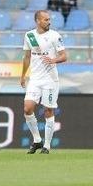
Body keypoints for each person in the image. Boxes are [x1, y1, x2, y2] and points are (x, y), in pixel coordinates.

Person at [21, 10, 67, 155]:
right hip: (35, 79)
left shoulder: (55, 36)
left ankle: (46, 145)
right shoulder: (29, 35)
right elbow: (27, 57)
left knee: (48, 110)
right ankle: (37, 140)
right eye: (46, 19)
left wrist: (53, 60)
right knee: (27, 108)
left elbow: (64, 56)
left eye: (49, 19)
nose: (49, 22)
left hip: (50, 80)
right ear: (38, 21)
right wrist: (23, 75)